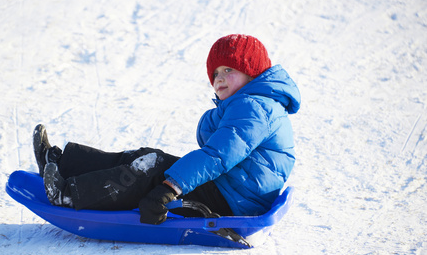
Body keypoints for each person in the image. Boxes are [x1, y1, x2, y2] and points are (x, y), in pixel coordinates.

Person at [34, 34, 301, 225]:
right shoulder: (251, 105)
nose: (219, 78)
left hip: (234, 201)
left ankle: (69, 195)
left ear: (252, 73)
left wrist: (170, 188)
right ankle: (62, 163)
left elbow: (217, 156)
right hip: (230, 189)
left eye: (229, 69)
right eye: (215, 72)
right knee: (147, 157)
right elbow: (215, 142)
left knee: (151, 168)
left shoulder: (254, 108)